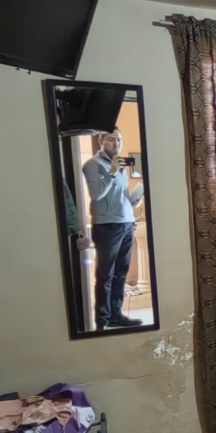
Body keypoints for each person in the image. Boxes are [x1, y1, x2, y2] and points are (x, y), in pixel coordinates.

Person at [82, 130, 143, 330]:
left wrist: (133, 202)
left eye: (119, 139)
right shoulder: (93, 165)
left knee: (120, 273)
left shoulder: (119, 165)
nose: (116, 143)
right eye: (111, 139)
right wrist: (112, 172)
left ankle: (116, 315)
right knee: (105, 274)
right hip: (107, 225)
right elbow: (96, 194)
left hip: (126, 223)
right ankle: (103, 319)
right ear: (101, 140)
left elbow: (118, 197)